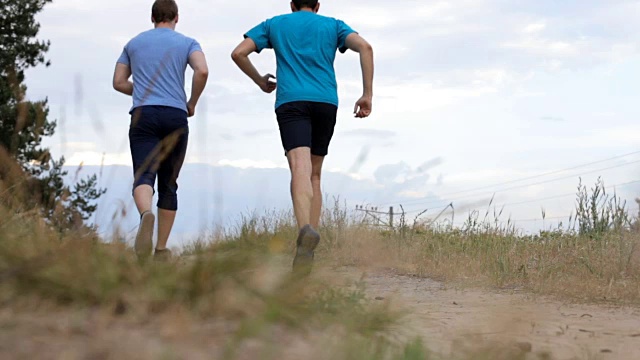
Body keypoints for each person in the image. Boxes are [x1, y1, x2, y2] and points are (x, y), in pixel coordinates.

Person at [231, 0, 374, 275]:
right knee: (315, 174)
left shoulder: (274, 24)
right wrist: (367, 94)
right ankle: (311, 244)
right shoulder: (333, 25)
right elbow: (366, 48)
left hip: (291, 101)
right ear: (317, 5)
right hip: (325, 101)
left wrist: (260, 81)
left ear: (292, 4)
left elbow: (238, 53)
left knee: (300, 168)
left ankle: (304, 231)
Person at [113, 0, 208, 261]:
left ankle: (146, 215)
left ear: (152, 17)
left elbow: (118, 82)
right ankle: (161, 249)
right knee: (169, 184)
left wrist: (144, 89)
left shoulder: (133, 44)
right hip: (175, 115)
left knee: (143, 176)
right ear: (177, 17)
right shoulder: (188, 43)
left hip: (143, 115)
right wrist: (192, 102)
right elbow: (202, 70)